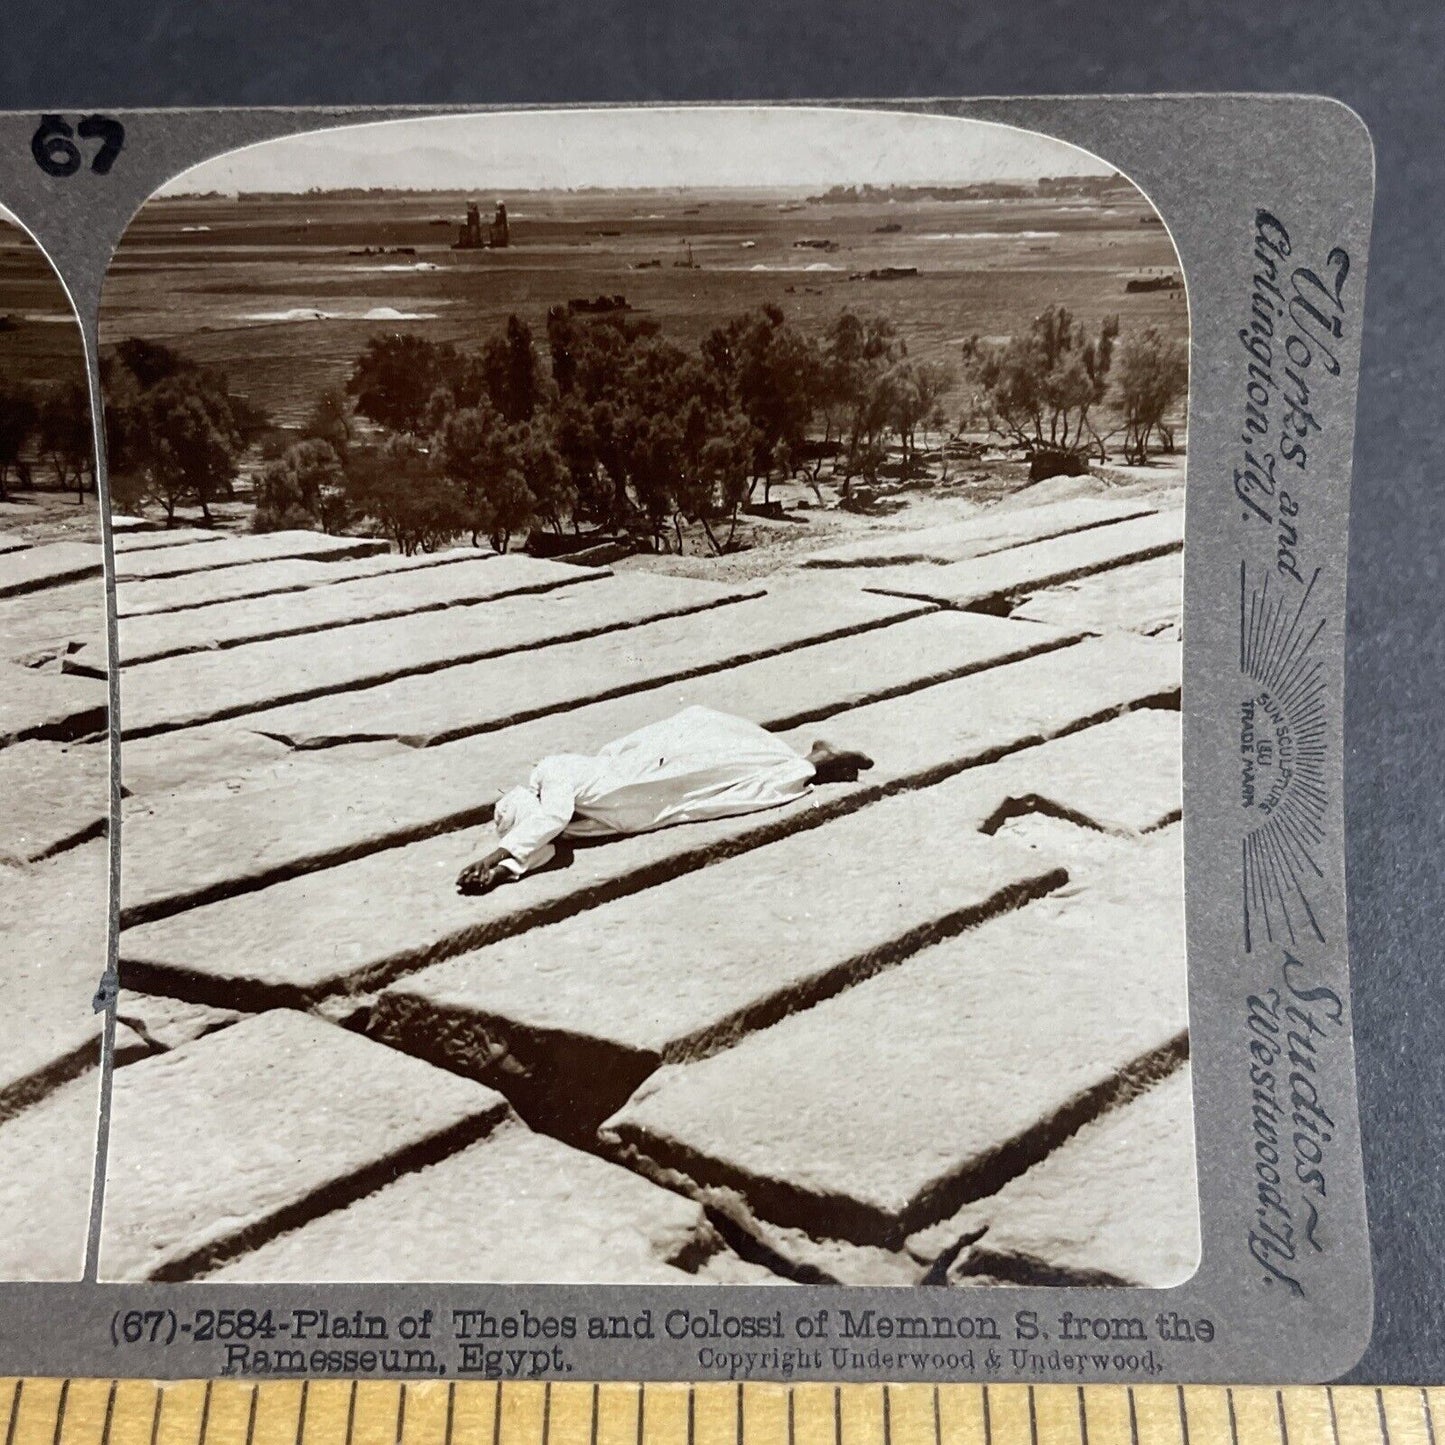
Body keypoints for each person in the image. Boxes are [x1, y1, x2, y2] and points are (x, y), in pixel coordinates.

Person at [455, 705, 873, 894]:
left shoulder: (552, 774)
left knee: (729, 767)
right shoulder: (566, 829)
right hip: (654, 803)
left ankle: (815, 759)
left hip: (648, 773)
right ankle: (816, 763)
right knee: (738, 792)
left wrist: (493, 858)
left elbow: (548, 821)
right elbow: (543, 845)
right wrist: (502, 870)